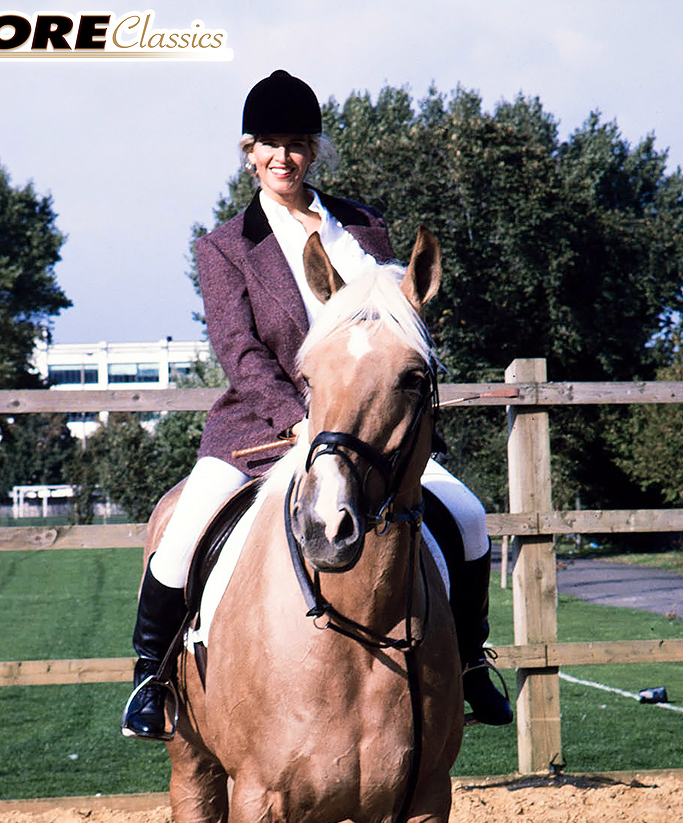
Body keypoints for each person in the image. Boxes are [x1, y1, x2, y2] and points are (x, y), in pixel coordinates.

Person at [122, 69, 512, 740]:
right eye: (269, 144)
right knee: (181, 539)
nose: (283, 158)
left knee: (470, 517)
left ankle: (471, 664)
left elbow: (400, 325)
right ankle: (151, 680)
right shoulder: (223, 247)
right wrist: (297, 419)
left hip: (367, 429)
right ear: (249, 153)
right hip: (263, 429)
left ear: (315, 150)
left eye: (297, 143)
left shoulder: (363, 228)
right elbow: (239, 353)